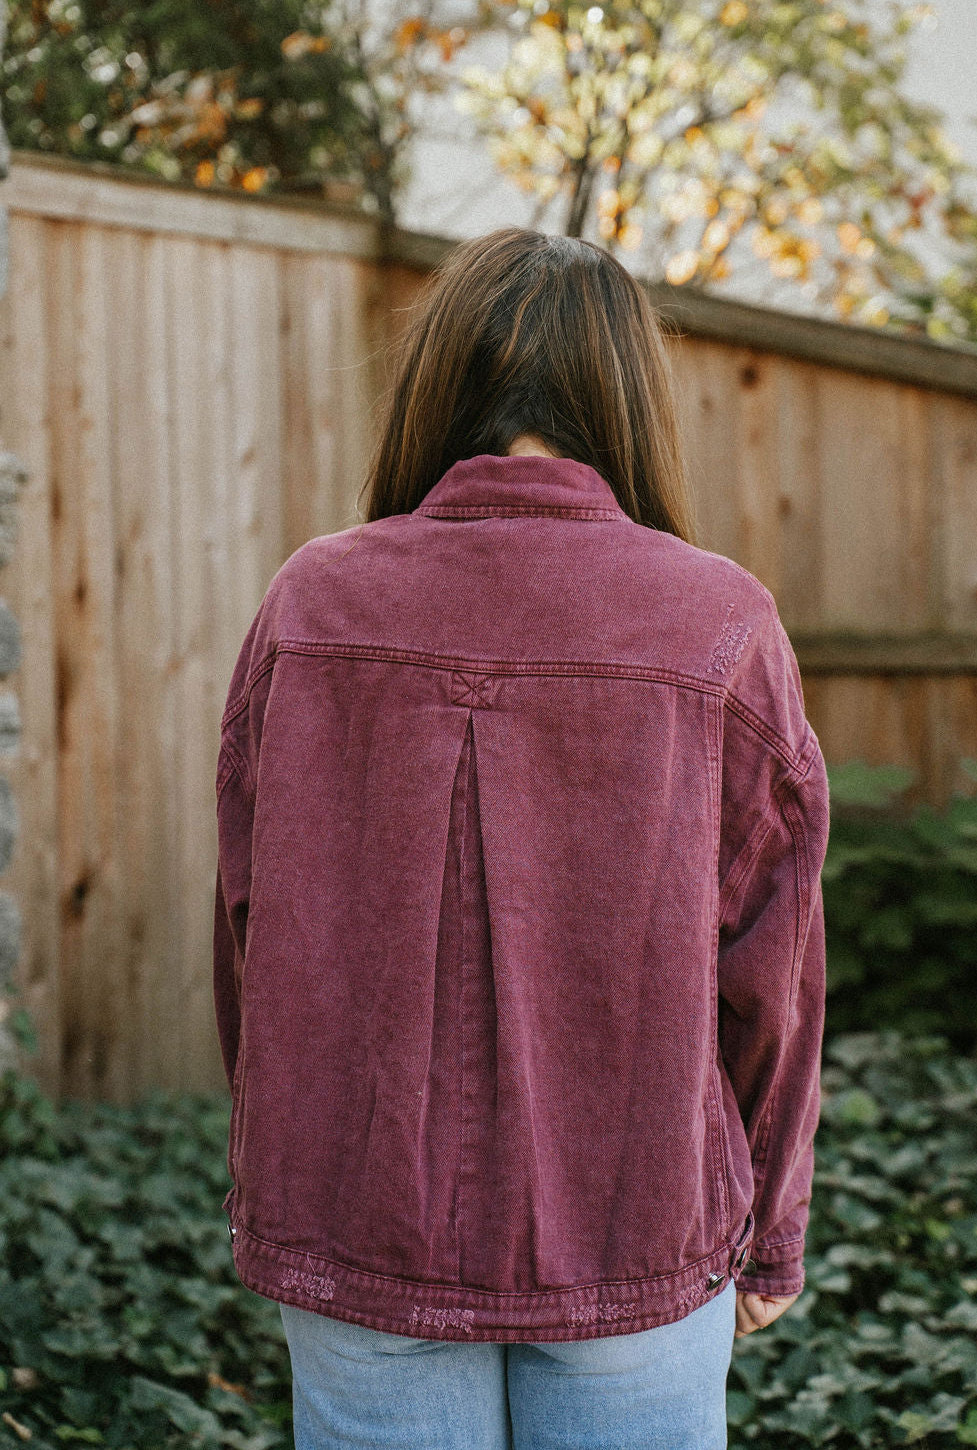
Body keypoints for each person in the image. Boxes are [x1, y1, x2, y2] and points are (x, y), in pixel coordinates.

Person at [212, 227, 831, 1449]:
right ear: (629, 401)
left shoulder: (310, 601)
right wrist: (770, 1226)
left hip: (361, 1217)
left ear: (437, 388)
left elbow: (247, 925)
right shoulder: (717, 621)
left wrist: (292, 1155)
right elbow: (774, 969)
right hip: (635, 1215)